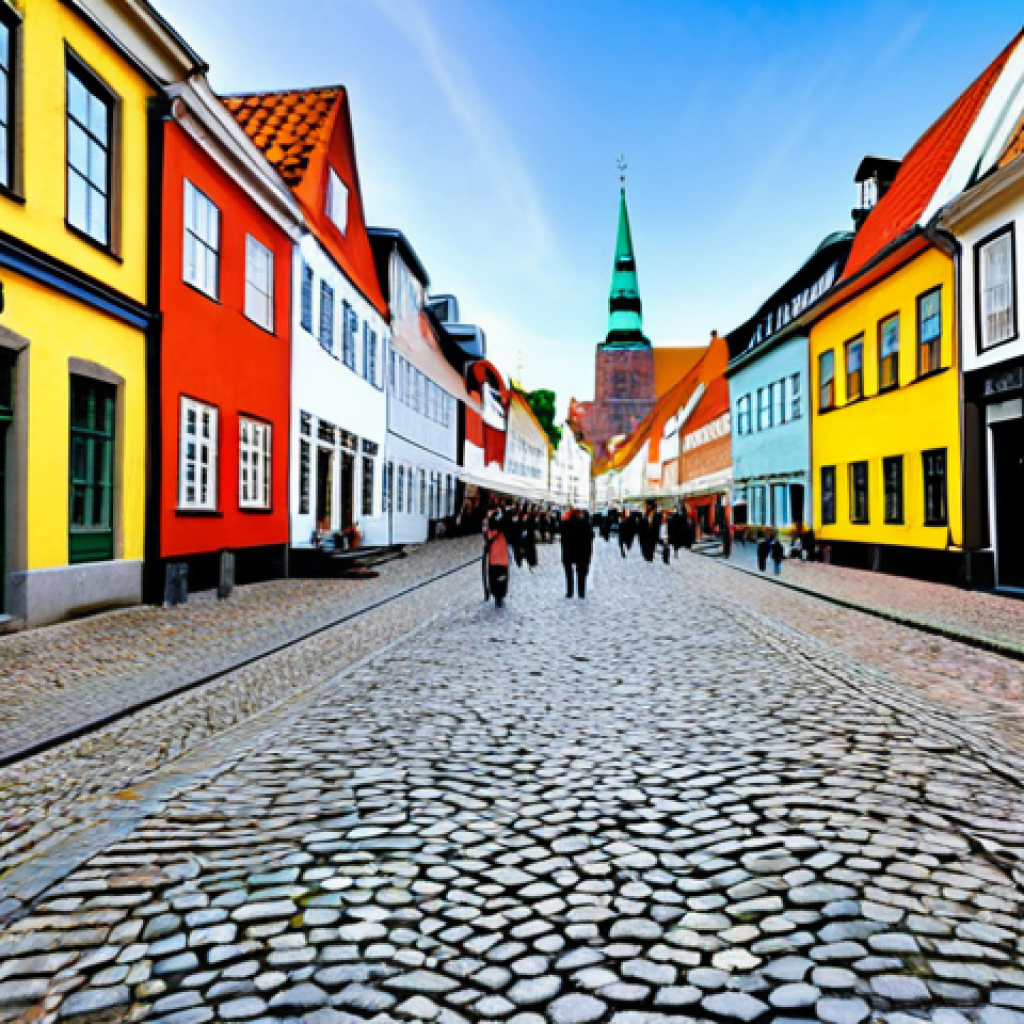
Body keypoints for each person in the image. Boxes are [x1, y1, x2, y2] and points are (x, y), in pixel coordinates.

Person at [561, 506, 594, 598]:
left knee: (568, 572)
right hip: (582, 551)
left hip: (568, 551)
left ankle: (569, 592)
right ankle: (581, 592)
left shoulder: (565, 522)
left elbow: (563, 537)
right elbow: (590, 537)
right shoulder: (585, 523)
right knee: (581, 572)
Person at [483, 510, 511, 608]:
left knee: (495, 579)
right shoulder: (503, 532)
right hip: (501, 559)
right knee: (501, 579)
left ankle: (497, 596)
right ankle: (500, 597)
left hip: (494, 559)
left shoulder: (489, 532)